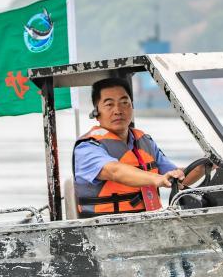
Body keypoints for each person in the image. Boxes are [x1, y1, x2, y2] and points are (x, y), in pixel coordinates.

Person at [72, 77, 196, 218]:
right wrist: (157, 179)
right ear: (96, 113)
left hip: (151, 222)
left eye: (124, 103)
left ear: (132, 106)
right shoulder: (87, 147)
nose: (118, 110)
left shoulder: (146, 142)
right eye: (109, 104)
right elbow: (114, 171)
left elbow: (177, 178)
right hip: (104, 226)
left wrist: (207, 165)